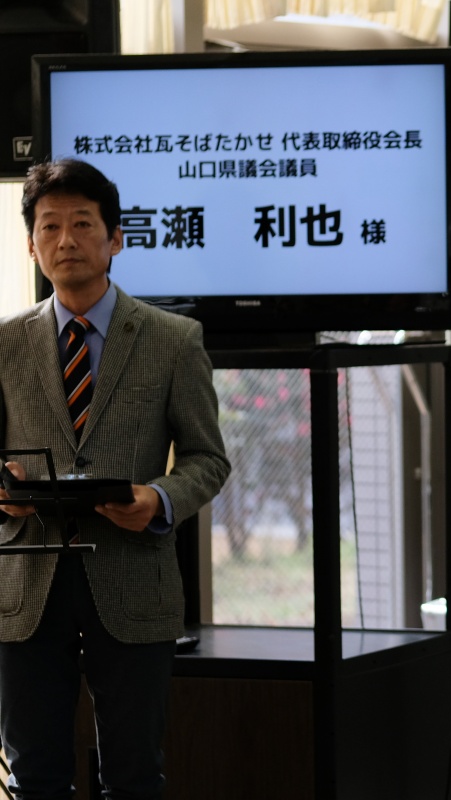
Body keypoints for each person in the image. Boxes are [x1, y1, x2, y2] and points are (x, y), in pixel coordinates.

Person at [0, 158, 230, 799]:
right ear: (31, 243)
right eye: (50, 227)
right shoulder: (4, 343)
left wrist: (158, 498)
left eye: (81, 224)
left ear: (115, 236)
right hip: (25, 589)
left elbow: (208, 459)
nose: (65, 240)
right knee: (33, 776)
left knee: (133, 776)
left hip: (133, 579)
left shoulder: (173, 339)